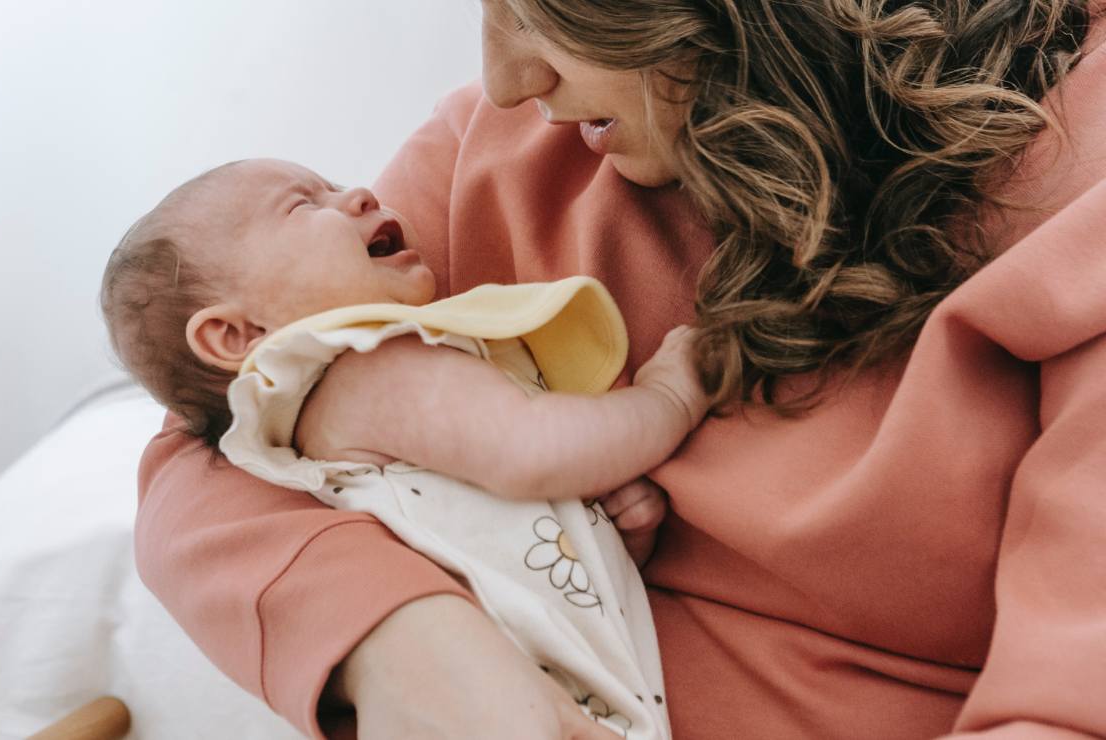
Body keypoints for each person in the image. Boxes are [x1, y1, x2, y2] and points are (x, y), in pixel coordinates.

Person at [133, 0, 1106, 737]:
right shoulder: (511, 144)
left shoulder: (1078, 163)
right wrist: (407, 642)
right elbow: (220, 427)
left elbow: (1068, 694)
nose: (505, 79)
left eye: (537, 7)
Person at [101, 157, 712, 738]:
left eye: (333, 184)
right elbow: (534, 452)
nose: (359, 193)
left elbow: (489, 544)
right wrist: (668, 399)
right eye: (302, 205)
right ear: (235, 334)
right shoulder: (364, 368)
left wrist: (603, 532)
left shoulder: (358, 403)